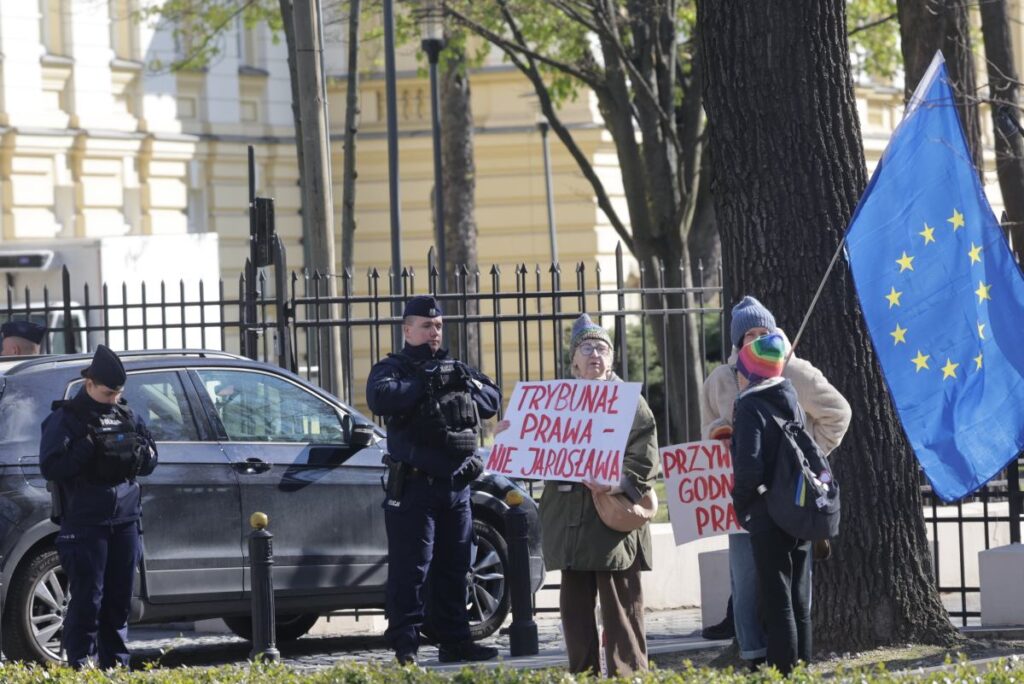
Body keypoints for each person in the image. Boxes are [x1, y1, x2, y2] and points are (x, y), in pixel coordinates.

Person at [700, 296, 850, 666]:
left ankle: (789, 666)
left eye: (763, 332)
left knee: (793, 592)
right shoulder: (720, 379)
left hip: (788, 500)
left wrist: (801, 462)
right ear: (736, 343)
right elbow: (705, 434)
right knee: (747, 584)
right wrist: (721, 433)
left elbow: (837, 413)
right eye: (748, 334)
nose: (756, 340)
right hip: (746, 500)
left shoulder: (794, 371)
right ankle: (754, 657)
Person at [365, 295, 502, 665]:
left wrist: (465, 382)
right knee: (413, 568)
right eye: (426, 326)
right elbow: (379, 398)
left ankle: (456, 641)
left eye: (438, 326)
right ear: (407, 329)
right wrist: (423, 382)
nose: (434, 332)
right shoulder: (394, 368)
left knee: (455, 567)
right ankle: (406, 646)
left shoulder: (455, 366)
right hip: (413, 487)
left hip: (456, 487)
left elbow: (492, 399)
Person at [538, 313, 660, 677]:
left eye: (602, 348)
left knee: (620, 607)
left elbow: (646, 455)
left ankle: (629, 674)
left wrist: (615, 482)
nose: (595, 354)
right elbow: (536, 449)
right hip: (570, 523)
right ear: (574, 361)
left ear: (612, 359)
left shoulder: (629, 401)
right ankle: (582, 673)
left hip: (610, 521)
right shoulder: (557, 401)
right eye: (587, 347)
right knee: (574, 610)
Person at [39, 344, 158, 669]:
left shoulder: (127, 415)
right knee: (88, 600)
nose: (112, 399)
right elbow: (51, 467)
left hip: (125, 520)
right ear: (89, 383)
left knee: (119, 600)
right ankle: (80, 664)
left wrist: (142, 454)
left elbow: (150, 457)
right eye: (107, 393)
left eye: (117, 393)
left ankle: (116, 665)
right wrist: (87, 447)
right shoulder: (65, 418)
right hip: (85, 522)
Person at [731, 332, 812, 674]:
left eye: (740, 367)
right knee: (797, 598)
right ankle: (803, 668)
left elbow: (748, 466)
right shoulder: (789, 396)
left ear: (751, 371)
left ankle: (783, 673)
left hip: (768, 512)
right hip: (799, 509)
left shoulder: (750, 404)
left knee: (777, 599)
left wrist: (742, 502)